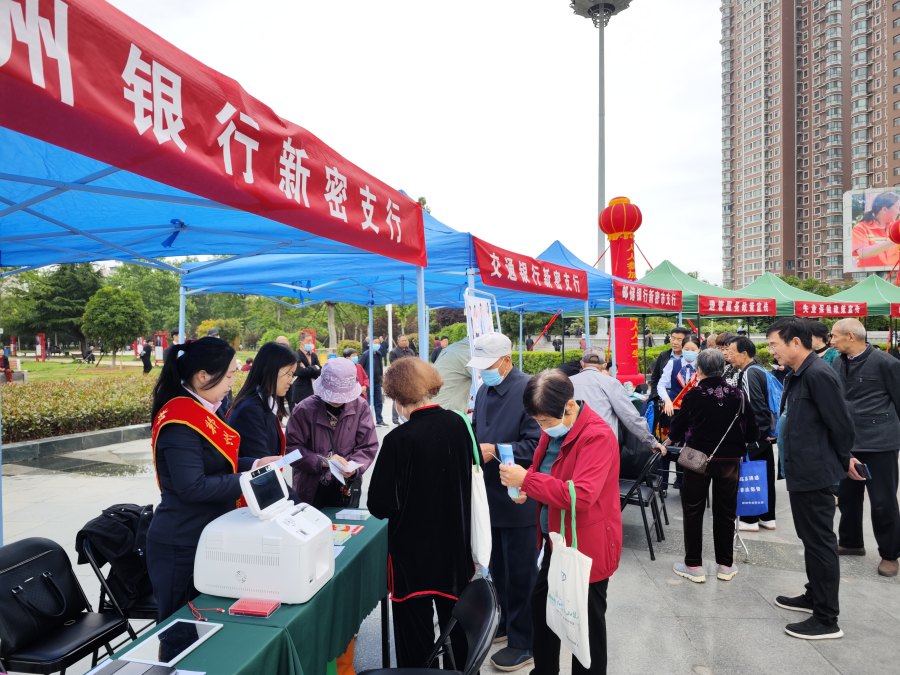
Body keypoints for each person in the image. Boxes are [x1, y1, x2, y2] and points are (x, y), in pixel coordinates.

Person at [499, 370, 622, 675]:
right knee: (543, 610)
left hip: (587, 547)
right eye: (538, 421)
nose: (542, 428)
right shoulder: (554, 428)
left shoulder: (597, 436)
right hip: (557, 541)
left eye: (544, 421)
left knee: (586, 628)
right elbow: (547, 471)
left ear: (569, 406)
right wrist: (527, 487)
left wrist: (527, 480)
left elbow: (580, 495)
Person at [368, 357, 475, 669]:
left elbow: (379, 504)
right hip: (454, 548)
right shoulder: (459, 425)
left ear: (397, 398)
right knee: (458, 628)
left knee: (414, 637)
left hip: (411, 557)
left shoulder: (398, 440)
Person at [766, 318, 862, 640]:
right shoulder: (799, 373)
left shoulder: (819, 374)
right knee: (811, 539)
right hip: (802, 470)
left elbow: (842, 424)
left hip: (815, 472)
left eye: (774, 344)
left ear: (795, 342)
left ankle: (826, 618)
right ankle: (814, 595)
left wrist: (843, 458)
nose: (772, 351)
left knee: (820, 543)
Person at [146, 337, 252, 621]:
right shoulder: (180, 420)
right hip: (181, 542)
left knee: (209, 621)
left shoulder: (206, 408)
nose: (232, 382)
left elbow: (217, 463)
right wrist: (248, 479)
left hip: (206, 533)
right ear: (203, 376)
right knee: (180, 628)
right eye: (228, 376)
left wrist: (257, 464)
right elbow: (192, 486)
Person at [468, 333, 542, 671]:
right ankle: (504, 621)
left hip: (518, 497)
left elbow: (536, 444)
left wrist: (496, 449)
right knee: (496, 567)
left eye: (488, 366)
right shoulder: (484, 390)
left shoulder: (529, 391)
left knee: (521, 572)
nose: (483, 373)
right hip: (488, 494)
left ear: (507, 361)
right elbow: (476, 429)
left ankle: (525, 641)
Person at [667, 349, 757, 583]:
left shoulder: (693, 395)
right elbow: (752, 431)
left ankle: (693, 565)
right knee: (726, 512)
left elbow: (677, 428)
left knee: (693, 509)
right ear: (722, 368)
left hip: (697, 460)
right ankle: (725, 565)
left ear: (699, 370)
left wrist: (674, 437)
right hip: (729, 461)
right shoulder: (738, 395)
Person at [830, 318, 900, 578]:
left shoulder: (886, 363)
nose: (831, 341)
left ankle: (890, 554)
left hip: (880, 442)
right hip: (848, 442)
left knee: (883, 501)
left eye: (834, 336)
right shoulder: (838, 362)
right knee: (847, 497)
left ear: (850, 336)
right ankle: (851, 542)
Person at [286, 358, 378, 507]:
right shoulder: (304, 409)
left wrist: (353, 468)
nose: (337, 400)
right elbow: (291, 449)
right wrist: (322, 461)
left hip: (346, 485)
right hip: (311, 487)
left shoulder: (361, 407)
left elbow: (368, 446)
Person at [571, 347, 666, 455]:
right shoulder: (611, 383)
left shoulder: (568, 382)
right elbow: (630, 416)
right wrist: (652, 442)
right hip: (602, 445)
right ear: (604, 365)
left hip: (572, 444)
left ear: (582, 363)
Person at [726, 337, 778, 532]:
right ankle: (767, 517)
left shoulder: (748, 373)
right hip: (765, 435)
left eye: (731, 351)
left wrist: (754, 436)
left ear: (744, 354)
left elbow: (754, 407)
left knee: (749, 475)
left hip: (756, 436)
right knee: (765, 476)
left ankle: (749, 520)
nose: (728, 355)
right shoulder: (760, 370)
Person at [228, 342, 296, 472]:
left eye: (292, 375)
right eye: (288, 374)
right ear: (270, 370)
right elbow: (263, 468)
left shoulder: (264, 403)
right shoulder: (250, 410)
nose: (290, 380)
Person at [852, 192, 900, 269]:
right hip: (871, 274)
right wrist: (894, 239)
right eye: (897, 208)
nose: (899, 212)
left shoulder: (896, 227)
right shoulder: (860, 228)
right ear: (884, 210)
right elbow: (862, 253)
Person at [432, 336, 473, 414]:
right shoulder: (467, 352)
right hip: (447, 410)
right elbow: (482, 380)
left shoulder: (454, 348)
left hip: (437, 405)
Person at [361, 336, 390, 426]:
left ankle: (379, 420)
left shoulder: (378, 354)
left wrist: (382, 379)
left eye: (378, 343)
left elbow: (380, 367)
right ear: (370, 344)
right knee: (368, 402)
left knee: (379, 401)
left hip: (377, 382)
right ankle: (367, 421)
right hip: (368, 383)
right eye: (375, 342)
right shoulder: (366, 354)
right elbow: (361, 367)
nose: (377, 344)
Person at [388, 335, 417, 424]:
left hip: (410, 378)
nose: (405, 342)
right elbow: (394, 365)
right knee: (397, 398)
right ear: (398, 342)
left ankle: (409, 415)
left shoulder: (410, 351)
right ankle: (395, 418)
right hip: (399, 378)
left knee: (410, 398)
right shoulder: (394, 352)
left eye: (406, 340)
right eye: (403, 340)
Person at [289, 331, 321, 409]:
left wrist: (308, 369)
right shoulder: (296, 355)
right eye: (308, 341)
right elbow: (300, 372)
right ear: (301, 342)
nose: (310, 343)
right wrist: (314, 368)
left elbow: (320, 370)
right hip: (301, 391)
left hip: (314, 389)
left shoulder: (313, 355)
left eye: (311, 341)